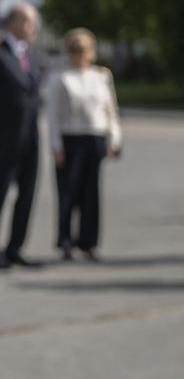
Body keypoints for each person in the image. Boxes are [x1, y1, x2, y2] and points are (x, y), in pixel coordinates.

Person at [0, 2, 45, 269]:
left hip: (31, 138)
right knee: (0, 193)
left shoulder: (33, 55)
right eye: (28, 21)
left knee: (27, 194)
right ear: (13, 23)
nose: (33, 27)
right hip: (4, 139)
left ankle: (15, 247)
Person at [46, 28, 122, 261]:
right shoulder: (60, 77)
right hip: (71, 138)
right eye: (75, 49)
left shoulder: (101, 76)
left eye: (84, 49)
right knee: (68, 192)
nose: (80, 53)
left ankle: (89, 242)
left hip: (95, 138)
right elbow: (53, 116)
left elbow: (111, 110)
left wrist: (114, 139)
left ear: (92, 51)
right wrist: (56, 146)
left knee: (91, 193)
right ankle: (66, 241)